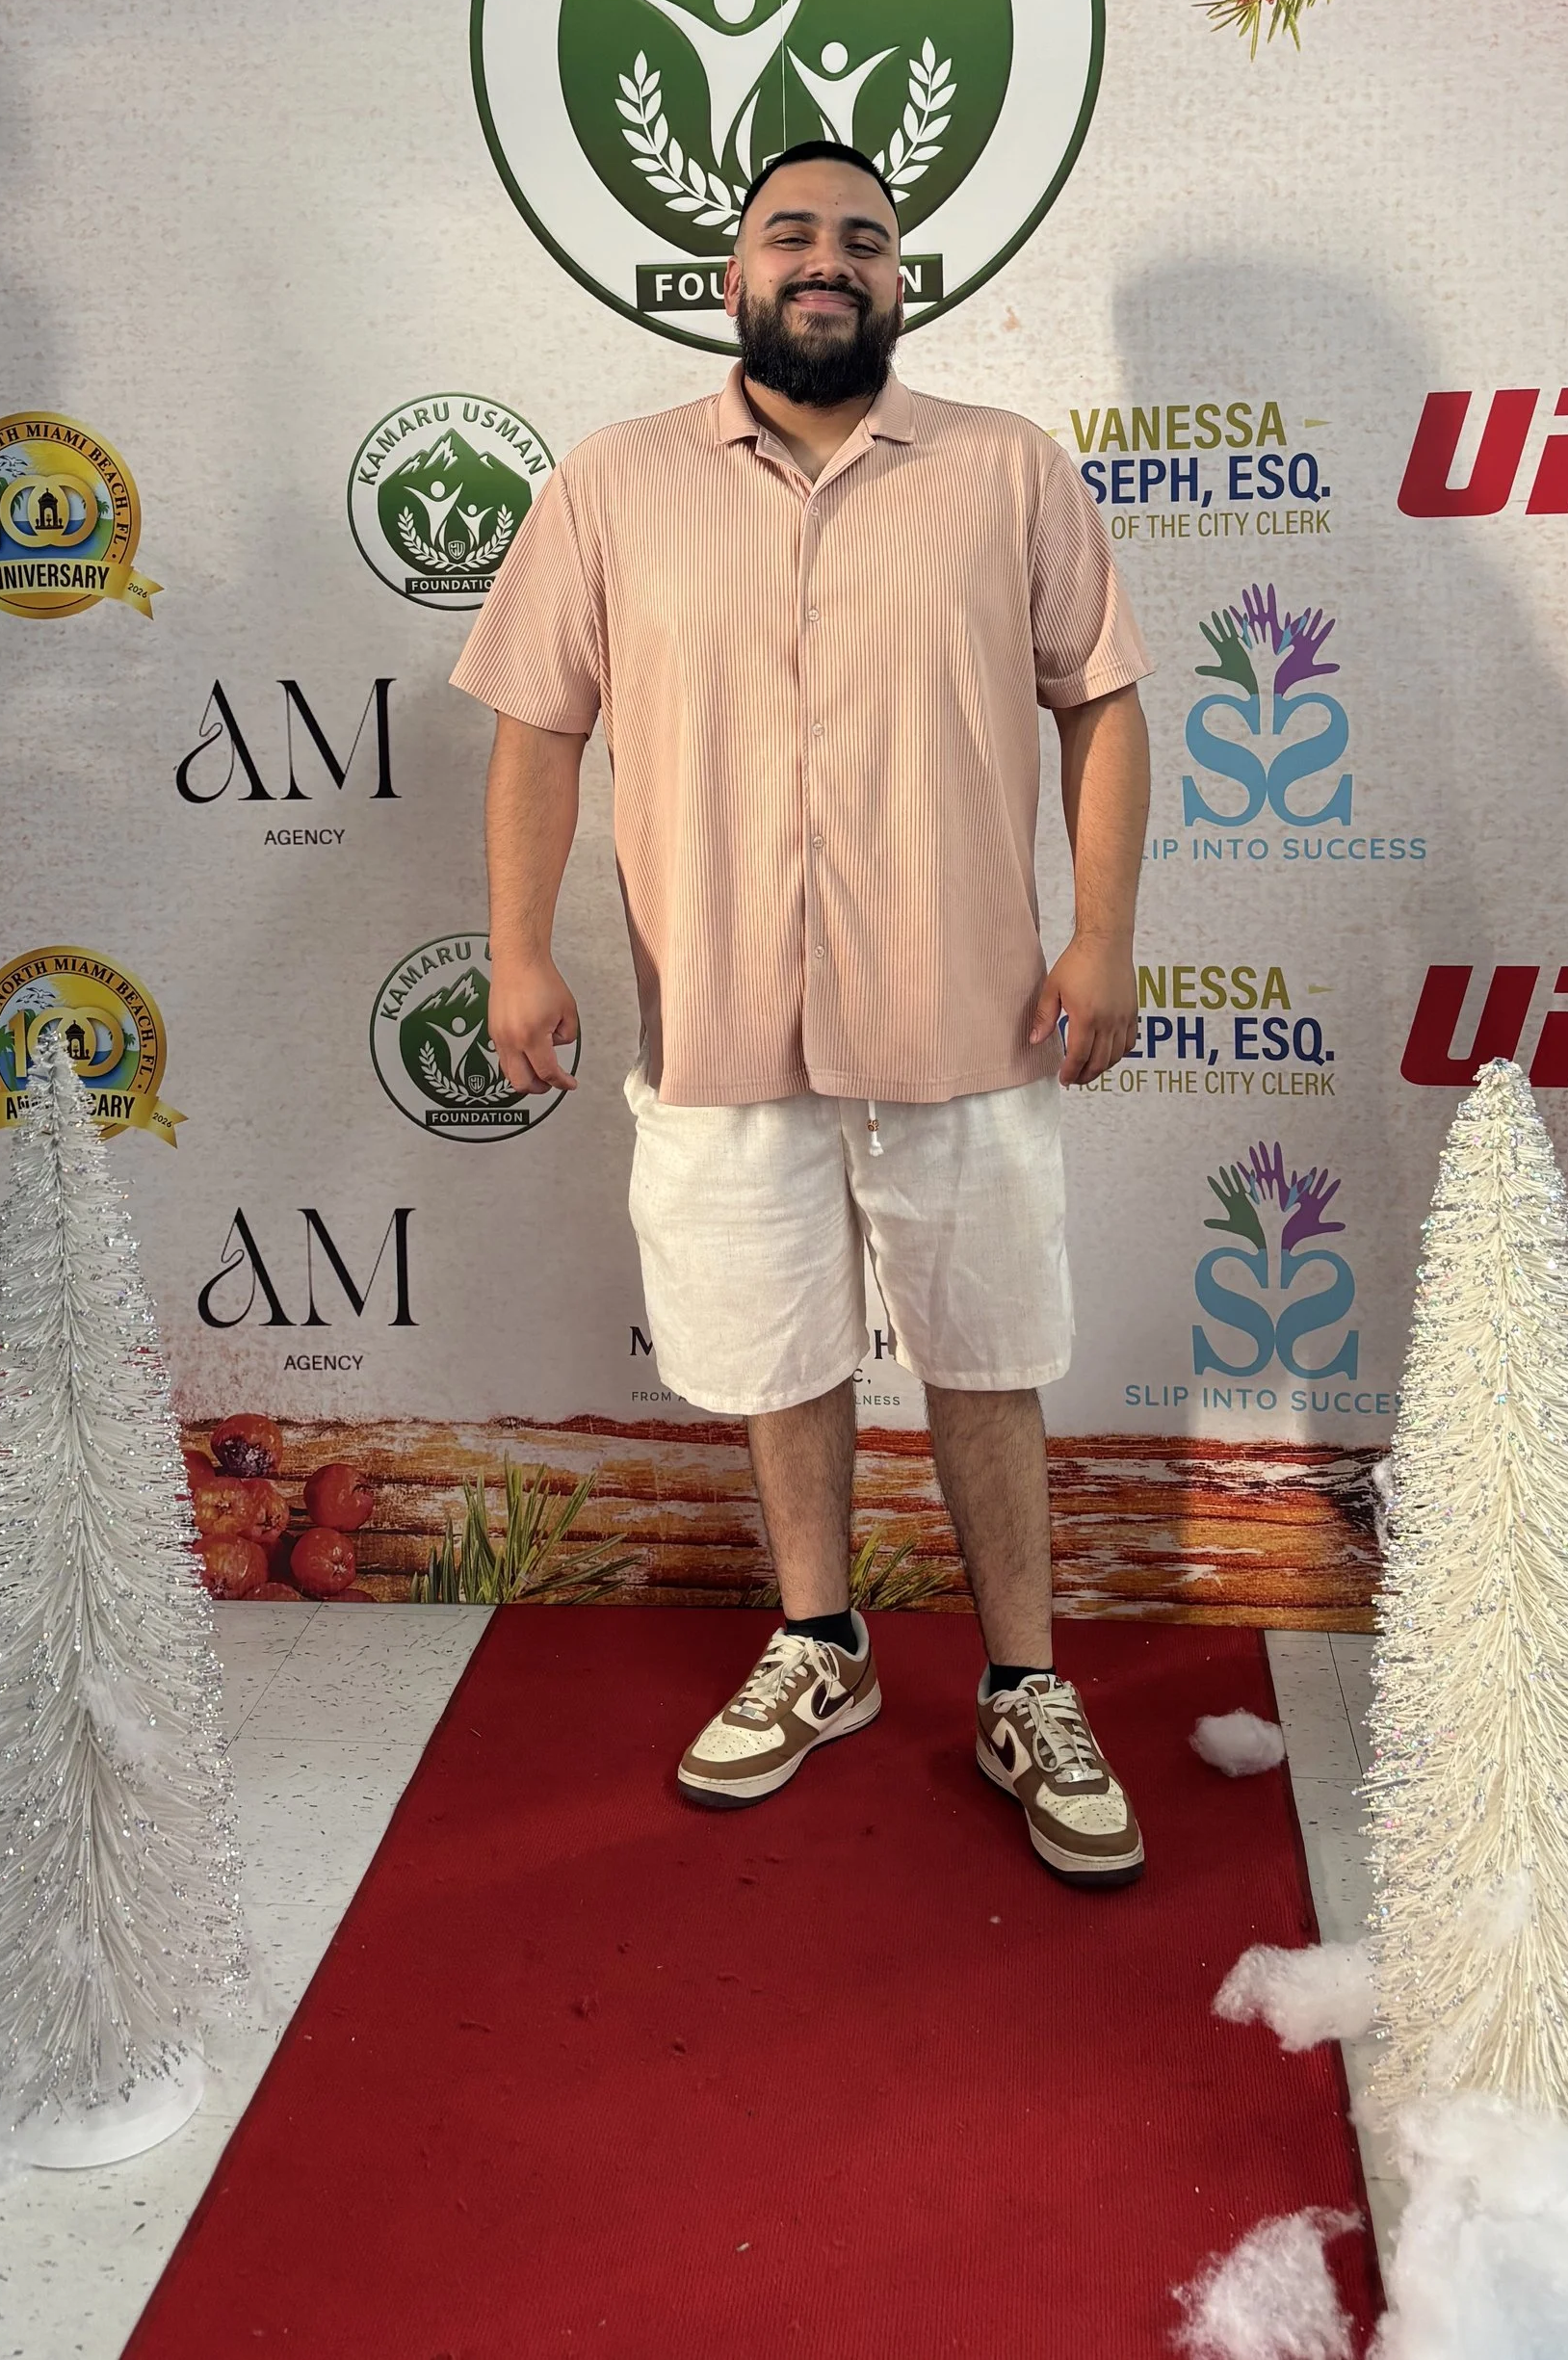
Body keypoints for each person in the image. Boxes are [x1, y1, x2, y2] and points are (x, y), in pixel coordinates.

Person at [450, 140, 1153, 1886]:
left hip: (969, 1011)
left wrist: (1107, 935)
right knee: (777, 1348)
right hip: (720, 1022)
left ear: (901, 280)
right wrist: (516, 949)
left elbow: (1108, 706)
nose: (827, 259)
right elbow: (537, 725)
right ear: (734, 273)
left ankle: (1023, 1682)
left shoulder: (1009, 474)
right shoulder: (610, 487)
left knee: (987, 1355)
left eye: (864, 237)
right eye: (792, 234)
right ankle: (821, 1647)